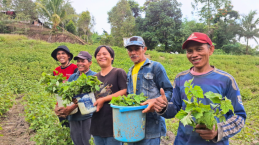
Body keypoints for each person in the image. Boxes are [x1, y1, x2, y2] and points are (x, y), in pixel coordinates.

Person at [143, 32, 247, 145]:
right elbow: (175, 108)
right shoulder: (180, 78)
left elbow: (239, 116)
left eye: (199, 49)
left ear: (211, 50)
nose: (194, 54)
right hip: (183, 141)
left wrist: (218, 131)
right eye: (189, 51)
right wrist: (163, 107)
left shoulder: (225, 80)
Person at [125, 36, 173, 145]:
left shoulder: (155, 67)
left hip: (152, 125)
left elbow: (169, 91)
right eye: (130, 50)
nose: (133, 52)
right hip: (134, 125)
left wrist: (156, 101)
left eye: (136, 49)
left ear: (144, 49)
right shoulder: (130, 71)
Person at [57, 51, 96, 145]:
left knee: (88, 142)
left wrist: (71, 108)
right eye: (78, 61)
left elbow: (91, 97)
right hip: (73, 117)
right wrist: (60, 107)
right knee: (77, 142)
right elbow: (67, 96)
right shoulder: (73, 77)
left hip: (87, 117)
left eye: (83, 61)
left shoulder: (94, 76)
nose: (80, 63)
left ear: (90, 63)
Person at [90, 45, 127, 145]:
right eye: (98, 55)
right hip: (97, 124)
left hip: (114, 125)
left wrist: (104, 99)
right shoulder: (94, 78)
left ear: (112, 57)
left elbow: (125, 92)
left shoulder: (118, 72)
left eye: (105, 54)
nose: (101, 56)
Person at [52, 45, 78, 127]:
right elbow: (56, 90)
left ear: (68, 56)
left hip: (74, 104)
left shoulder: (75, 68)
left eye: (63, 53)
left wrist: (73, 106)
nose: (61, 55)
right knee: (65, 127)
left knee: (75, 130)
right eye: (58, 54)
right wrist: (56, 106)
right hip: (61, 103)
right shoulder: (56, 71)